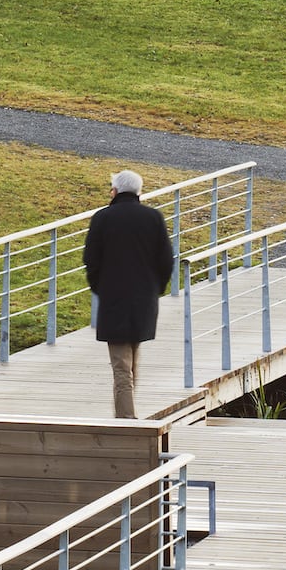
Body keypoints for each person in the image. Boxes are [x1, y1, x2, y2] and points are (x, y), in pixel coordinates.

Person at [81, 170, 174, 420]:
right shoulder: (153, 218)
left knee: (121, 365)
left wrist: (99, 288)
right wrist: (156, 289)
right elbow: (166, 260)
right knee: (132, 360)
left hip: (114, 300)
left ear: (115, 190)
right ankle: (128, 412)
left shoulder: (103, 218)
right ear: (139, 191)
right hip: (144, 301)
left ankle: (126, 419)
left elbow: (91, 260)